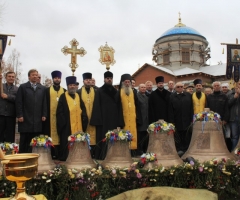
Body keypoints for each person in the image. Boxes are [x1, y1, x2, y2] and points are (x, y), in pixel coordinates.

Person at [57, 76, 88, 161]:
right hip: (67, 126)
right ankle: (66, 157)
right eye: (70, 85)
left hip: (79, 125)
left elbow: (83, 109)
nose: (72, 87)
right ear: (67, 86)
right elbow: (60, 112)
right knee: (67, 142)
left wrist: (84, 119)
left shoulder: (78, 96)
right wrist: (64, 123)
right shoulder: (63, 97)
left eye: (74, 85)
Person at [16, 69, 47, 153]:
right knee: (24, 140)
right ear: (29, 76)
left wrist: (44, 114)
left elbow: (44, 102)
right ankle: (22, 157)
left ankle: (33, 157)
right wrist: (20, 115)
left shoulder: (42, 88)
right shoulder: (23, 87)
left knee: (34, 140)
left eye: (36, 75)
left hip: (37, 119)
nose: (35, 76)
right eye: (33, 75)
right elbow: (19, 102)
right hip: (25, 118)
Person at [90, 71, 118, 160]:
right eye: (107, 78)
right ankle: (102, 155)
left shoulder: (115, 91)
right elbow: (96, 105)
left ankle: (113, 155)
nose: (109, 80)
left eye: (111, 78)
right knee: (103, 137)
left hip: (113, 119)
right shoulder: (100, 91)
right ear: (104, 79)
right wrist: (98, 120)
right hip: (103, 119)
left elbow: (118, 106)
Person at [43, 70, 66, 159]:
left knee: (61, 135)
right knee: (49, 134)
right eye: (55, 78)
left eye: (58, 78)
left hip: (61, 118)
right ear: (53, 79)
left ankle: (60, 154)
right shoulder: (47, 91)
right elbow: (44, 103)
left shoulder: (64, 91)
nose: (57, 79)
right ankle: (50, 154)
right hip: (49, 118)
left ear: (60, 79)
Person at [117, 74, 142, 155]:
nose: (127, 83)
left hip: (133, 118)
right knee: (124, 134)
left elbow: (137, 106)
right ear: (122, 83)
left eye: (129, 82)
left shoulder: (134, 92)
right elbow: (117, 107)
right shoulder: (118, 93)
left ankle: (133, 152)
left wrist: (138, 117)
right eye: (126, 82)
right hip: (123, 119)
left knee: (133, 134)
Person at [169, 82, 193, 155]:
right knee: (178, 135)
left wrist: (192, 118)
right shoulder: (172, 96)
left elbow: (191, 108)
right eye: (178, 87)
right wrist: (172, 121)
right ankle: (179, 149)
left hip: (187, 119)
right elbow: (170, 109)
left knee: (186, 135)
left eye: (181, 87)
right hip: (177, 119)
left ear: (183, 87)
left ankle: (186, 149)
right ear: (175, 88)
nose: (180, 88)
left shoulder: (188, 95)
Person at [207, 81, 231, 151]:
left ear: (220, 87)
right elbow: (207, 108)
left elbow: (226, 108)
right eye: (215, 86)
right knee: (212, 136)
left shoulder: (224, 96)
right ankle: (213, 149)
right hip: (212, 120)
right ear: (213, 87)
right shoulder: (209, 96)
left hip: (221, 121)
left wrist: (225, 120)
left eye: (218, 85)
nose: (216, 87)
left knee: (222, 136)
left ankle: (223, 150)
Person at [77, 73, 96, 157]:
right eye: (86, 80)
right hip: (83, 118)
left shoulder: (96, 91)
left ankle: (93, 153)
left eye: (89, 80)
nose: (88, 81)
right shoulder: (79, 92)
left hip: (94, 117)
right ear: (83, 81)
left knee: (94, 136)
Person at [0, 71, 18, 143]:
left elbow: (18, 100)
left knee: (10, 136)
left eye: (12, 77)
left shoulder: (17, 89)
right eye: (9, 76)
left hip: (11, 115)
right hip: (1, 114)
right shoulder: (1, 86)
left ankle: (9, 151)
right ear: (6, 77)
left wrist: (8, 97)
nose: (11, 78)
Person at [137, 83, 149, 154]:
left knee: (145, 135)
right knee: (140, 136)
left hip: (146, 120)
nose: (143, 88)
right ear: (139, 88)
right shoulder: (137, 96)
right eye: (142, 87)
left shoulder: (146, 97)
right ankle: (140, 150)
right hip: (141, 119)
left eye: (144, 87)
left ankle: (145, 149)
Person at [228, 82, 240, 151]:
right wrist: (234, 97)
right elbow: (227, 105)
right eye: (237, 84)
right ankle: (234, 152)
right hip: (233, 119)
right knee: (234, 137)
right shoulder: (229, 94)